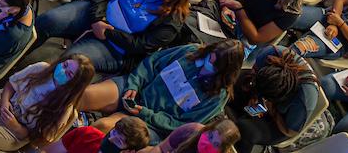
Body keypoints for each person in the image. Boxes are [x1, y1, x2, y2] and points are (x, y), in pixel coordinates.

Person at [39, 0, 200, 74]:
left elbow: (140, 46)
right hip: (97, 13)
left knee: (72, 63)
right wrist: (97, 18)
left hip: (116, 47)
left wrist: (108, 32)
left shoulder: (172, 21)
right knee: (50, 19)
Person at [77, 40, 244, 136]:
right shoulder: (191, 51)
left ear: (225, 71)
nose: (208, 63)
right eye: (210, 57)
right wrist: (135, 84)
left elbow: (181, 125)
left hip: (152, 122)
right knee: (84, 95)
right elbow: (152, 62)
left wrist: (145, 113)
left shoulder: (217, 96)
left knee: (104, 127)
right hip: (136, 90)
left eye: (215, 64)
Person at [0, 55, 94, 152]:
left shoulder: (64, 107)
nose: (63, 70)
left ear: (75, 83)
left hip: (17, 131)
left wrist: (16, 128)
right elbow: (11, 85)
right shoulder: (41, 68)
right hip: (5, 100)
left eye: (69, 74)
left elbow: (41, 139)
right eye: (65, 65)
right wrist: (4, 103)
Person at [228, 46, 319, 153]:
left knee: (247, 130)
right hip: (263, 90)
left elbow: (290, 132)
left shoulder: (304, 99)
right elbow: (252, 73)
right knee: (232, 79)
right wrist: (255, 95)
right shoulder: (270, 53)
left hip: (282, 121)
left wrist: (272, 111)